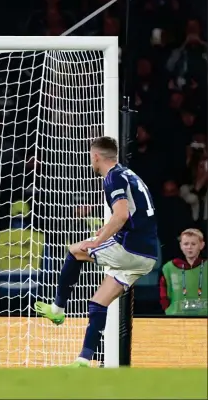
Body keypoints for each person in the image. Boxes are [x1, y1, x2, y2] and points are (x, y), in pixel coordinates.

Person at [34, 136, 158, 367]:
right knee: (99, 301)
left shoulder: (113, 177)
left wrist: (99, 239)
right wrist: (106, 231)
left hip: (130, 248)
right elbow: (133, 213)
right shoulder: (129, 174)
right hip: (147, 256)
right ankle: (84, 360)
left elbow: (121, 215)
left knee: (75, 250)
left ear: (96, 156)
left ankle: (57, 309)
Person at [160, 228, 207, 316]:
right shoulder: (169, 267)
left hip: (204, 316)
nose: (189, 247)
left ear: (201, 245)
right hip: (176, 315)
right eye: (186, 244)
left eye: (193, 244)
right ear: (181, 245)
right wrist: (167, 308)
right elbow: (164, 292)